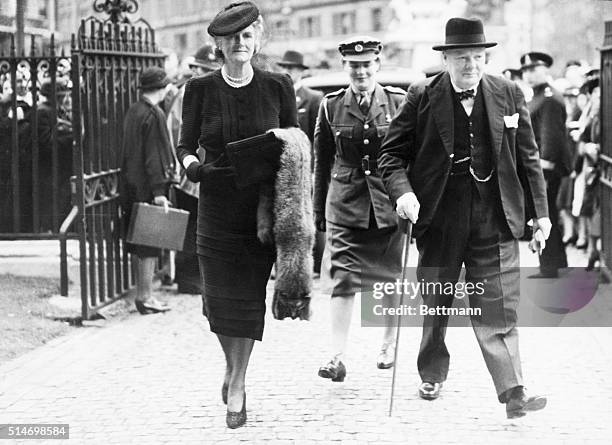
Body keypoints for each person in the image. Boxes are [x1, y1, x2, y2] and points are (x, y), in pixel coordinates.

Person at [378, 17, 550, 418]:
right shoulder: (422, 95)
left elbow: (528, 157)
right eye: (461, 58)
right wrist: (403, 193)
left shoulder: (508, 92)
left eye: (478, 56)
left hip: (495, 213)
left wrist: (540, 215)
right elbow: (390, 156)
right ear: (447, 58)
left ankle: (513, 391)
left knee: (500, 305)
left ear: (486, 57)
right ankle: (433, 370)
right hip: (440, 214)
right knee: (437, 299)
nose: (471, 65)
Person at [175, 1, 297, 429]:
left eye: (247, 36)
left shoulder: (278, 86)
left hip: (259, 212)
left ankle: (239, 382)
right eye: (231, 39)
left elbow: (294, 146)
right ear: (219, 46)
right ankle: (230, 365)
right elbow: (186, 144)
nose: (240, 44)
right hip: (216, 208)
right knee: (219, 302)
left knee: (247, 301)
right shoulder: (200, 89)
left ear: (258, 39)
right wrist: (193, 167)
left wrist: (291, 213)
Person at [313, 36, 406, 380]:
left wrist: (411, 200)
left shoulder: (398, 102)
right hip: (345, 201)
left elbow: (410, 156)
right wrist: (318, 211)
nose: (361, 71)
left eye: (367, 65)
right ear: (345, 68)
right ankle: (336, 356)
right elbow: (321, 162)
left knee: (391, 278)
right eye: (354, 66)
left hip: (387, 200)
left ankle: (388, 343)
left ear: (377, 66)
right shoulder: (330, 106)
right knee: (343, 277)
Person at [167, 45, 222, 294]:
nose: (207, 73)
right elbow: (175, 132)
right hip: (191, 172)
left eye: (211, 69)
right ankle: (188, 279)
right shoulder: (186, 95)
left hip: (216, 171)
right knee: (190, 228)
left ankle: (206, 277)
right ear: (195, 69)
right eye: (203, 69)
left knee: (211, 227)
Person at [121, 66, 176, 315]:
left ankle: (144, 294)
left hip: (132, 184)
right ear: (163, 88)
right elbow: (154, 156)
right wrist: (159, 191)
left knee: (139, 242)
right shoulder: (155, 114)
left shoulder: (135, 110)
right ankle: (145, 296)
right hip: (148, 187)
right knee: (150, 243)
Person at [521, 51, 572, 277]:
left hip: (546, 168)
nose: (528, 75)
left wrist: (546, 166)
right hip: (542, 166)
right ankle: (554, 263)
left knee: (545, 214)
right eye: (525, 71)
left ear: (545, 69)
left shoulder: (549, 97)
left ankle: (550, 267)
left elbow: (550, 137)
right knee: (547, 213)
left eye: (533, 69)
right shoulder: (539, 96)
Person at [276, 50, 325, 275]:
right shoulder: (274, 95)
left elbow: (319, 138)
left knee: (310, 214)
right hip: (281, 166)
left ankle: (314, 264)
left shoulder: (313, 98)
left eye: (292, 68)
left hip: (306, 166)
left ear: (300, 72)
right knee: (282, 214)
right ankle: (282, 264)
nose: (288, 72)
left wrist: (315, 170)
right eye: (284, 68)